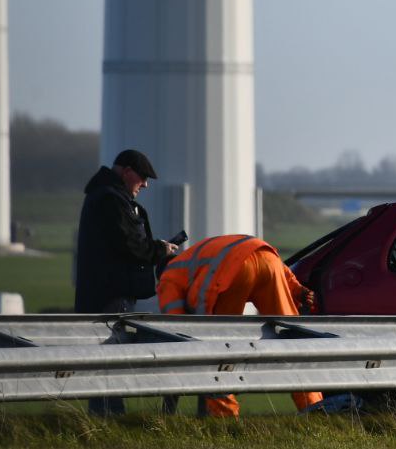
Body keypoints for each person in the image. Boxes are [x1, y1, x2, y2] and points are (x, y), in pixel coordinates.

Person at [157, 234, 324, 416]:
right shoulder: (199, 254)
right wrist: (297, 289)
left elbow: (176, 326)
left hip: (233, 272)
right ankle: (314, 409)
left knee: (219, 352)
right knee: (292, 343)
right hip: (267, 258)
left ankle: (225, 418)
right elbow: (263, 260)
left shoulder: (169, 275)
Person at [74, 148, 179, 414]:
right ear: (128, 172)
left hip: (99, 290)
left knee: (105, 357)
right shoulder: (112, 200)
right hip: (112, 293)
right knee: (112, 355)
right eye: (142, 177)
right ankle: (110, 413)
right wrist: (160, 250)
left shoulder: (102, 195)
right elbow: (130, 245)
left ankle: (106, 411)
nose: (144, 185)